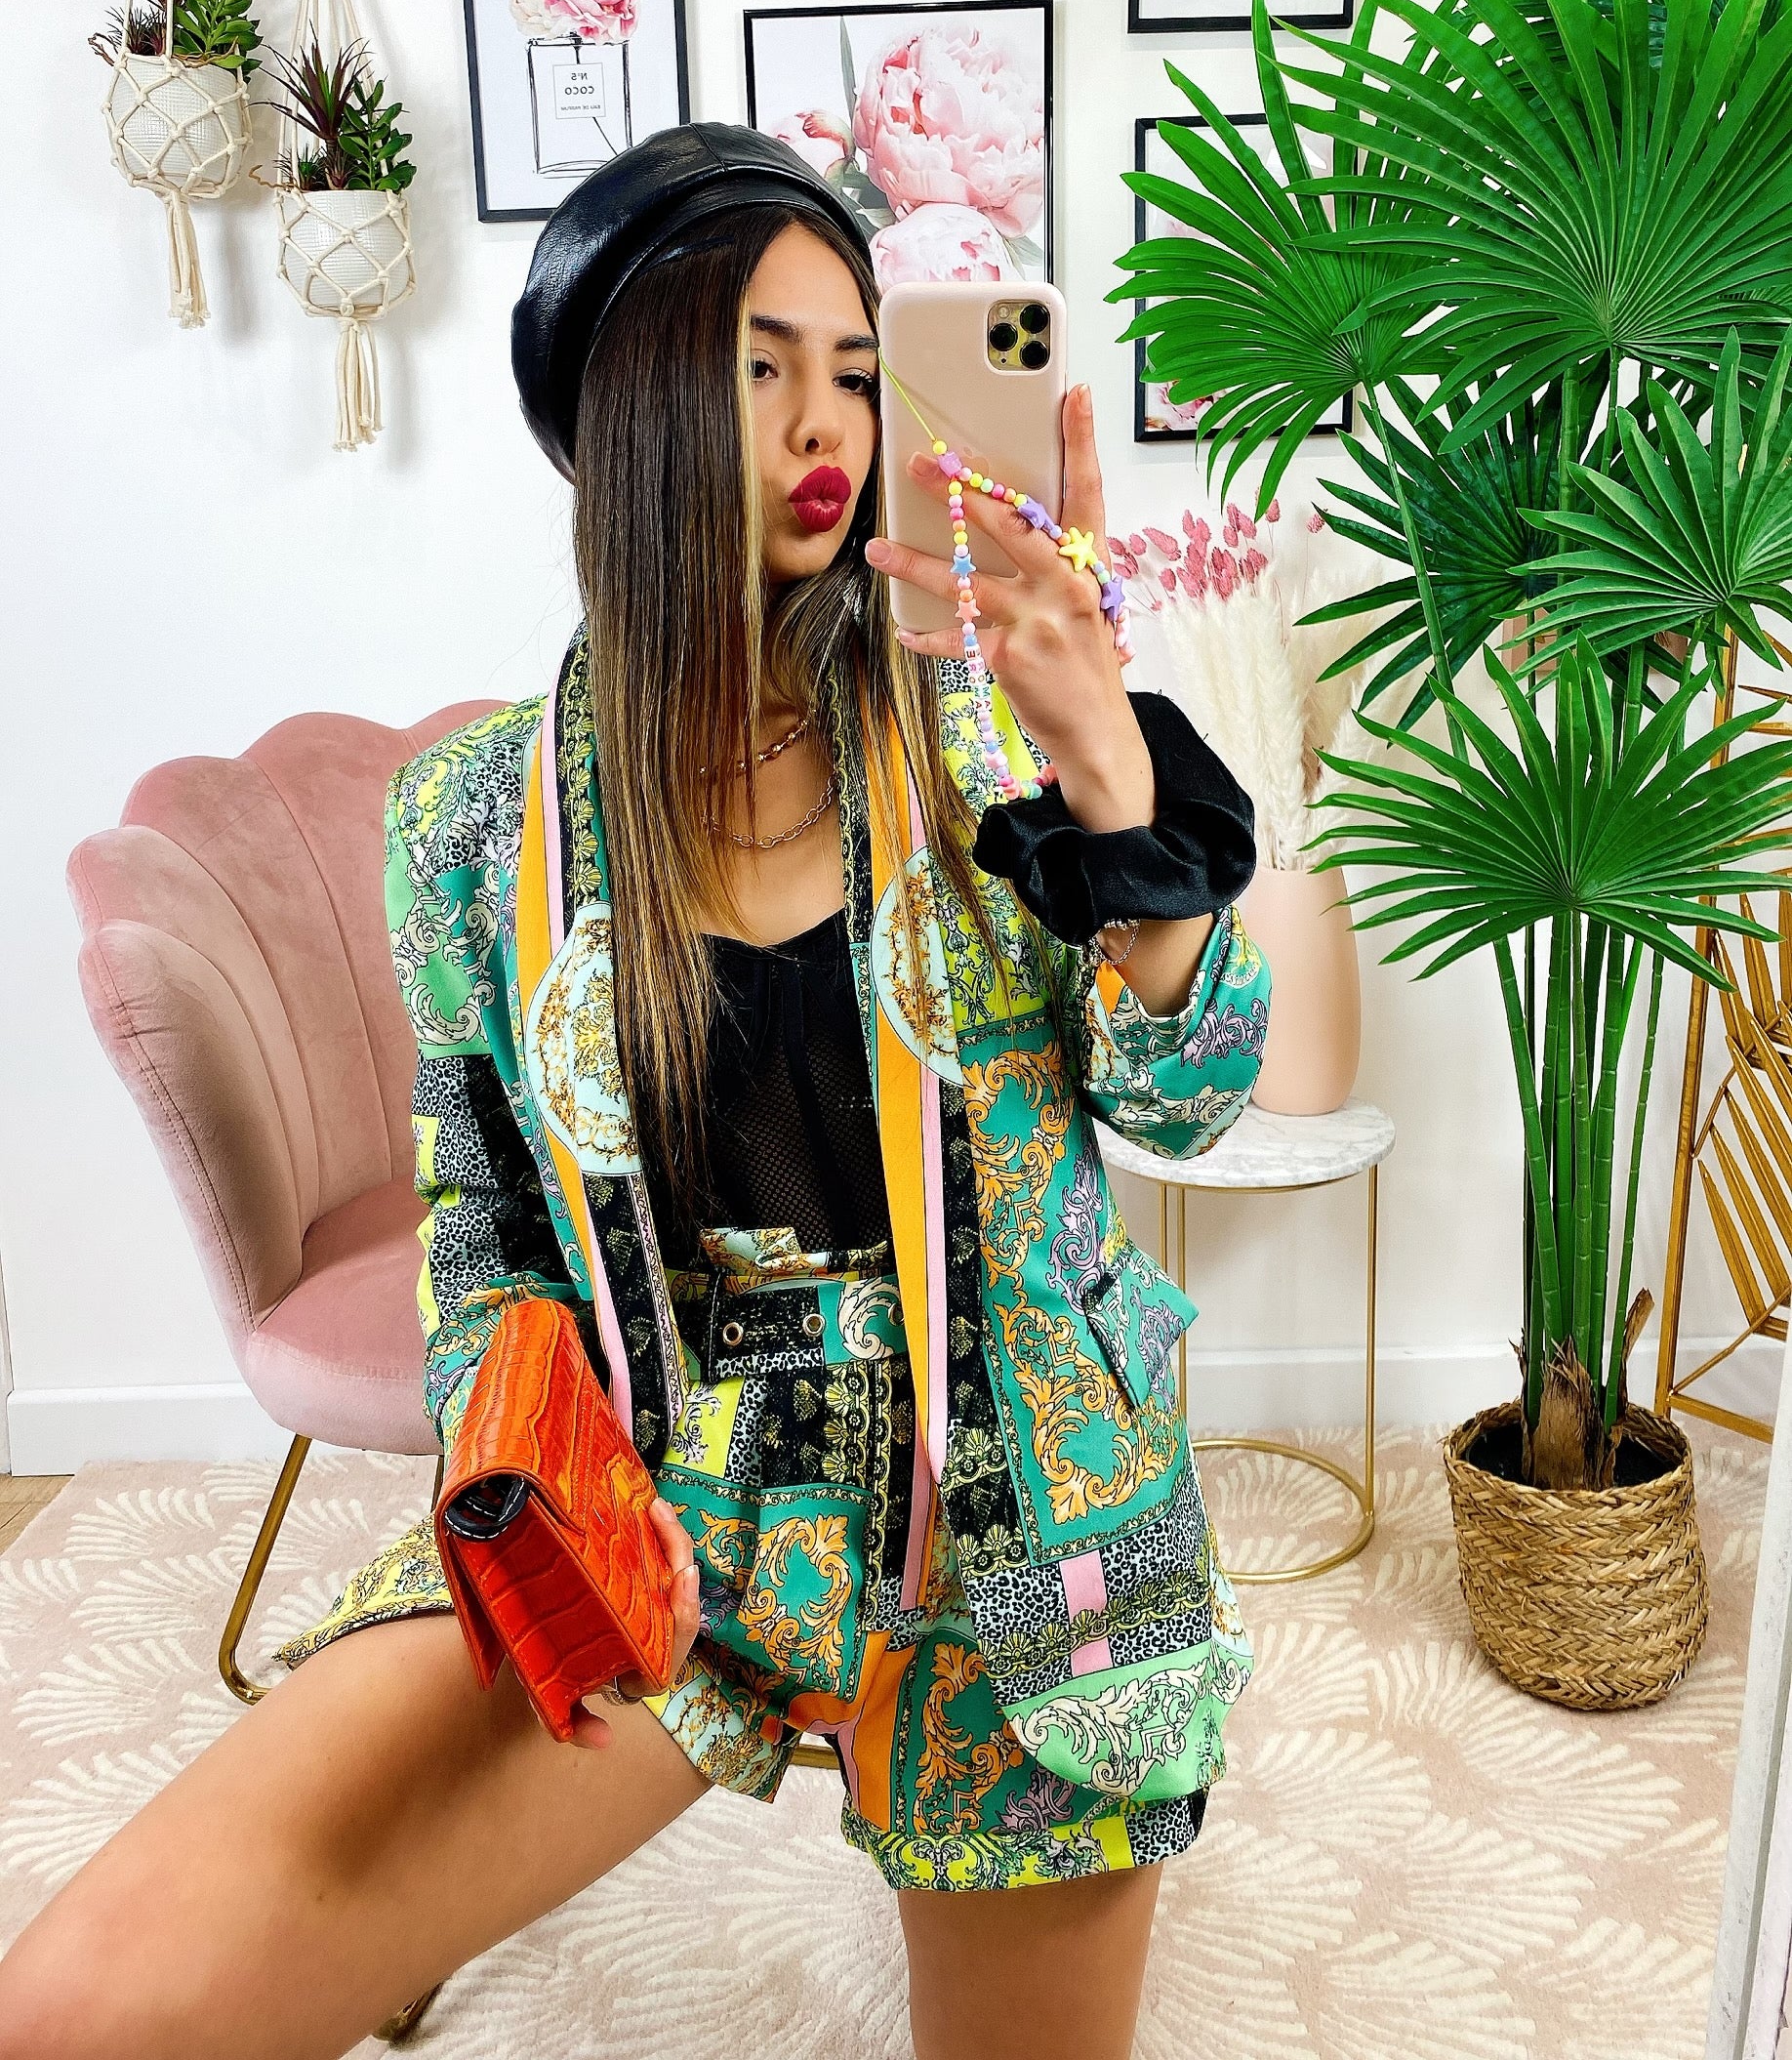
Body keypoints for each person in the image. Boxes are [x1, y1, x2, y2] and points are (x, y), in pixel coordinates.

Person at [0, 122, 1269, 2060]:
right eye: (764, 366)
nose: (828, 421)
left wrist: (1105, 762)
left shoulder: (995, 733)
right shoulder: (472, 824)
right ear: (631, 409)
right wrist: (516, 1476)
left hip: (1021, 1514)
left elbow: (1192, 1103)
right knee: (95, 1998)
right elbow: (485, 1219)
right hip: (669, 1484)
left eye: (862, 369)